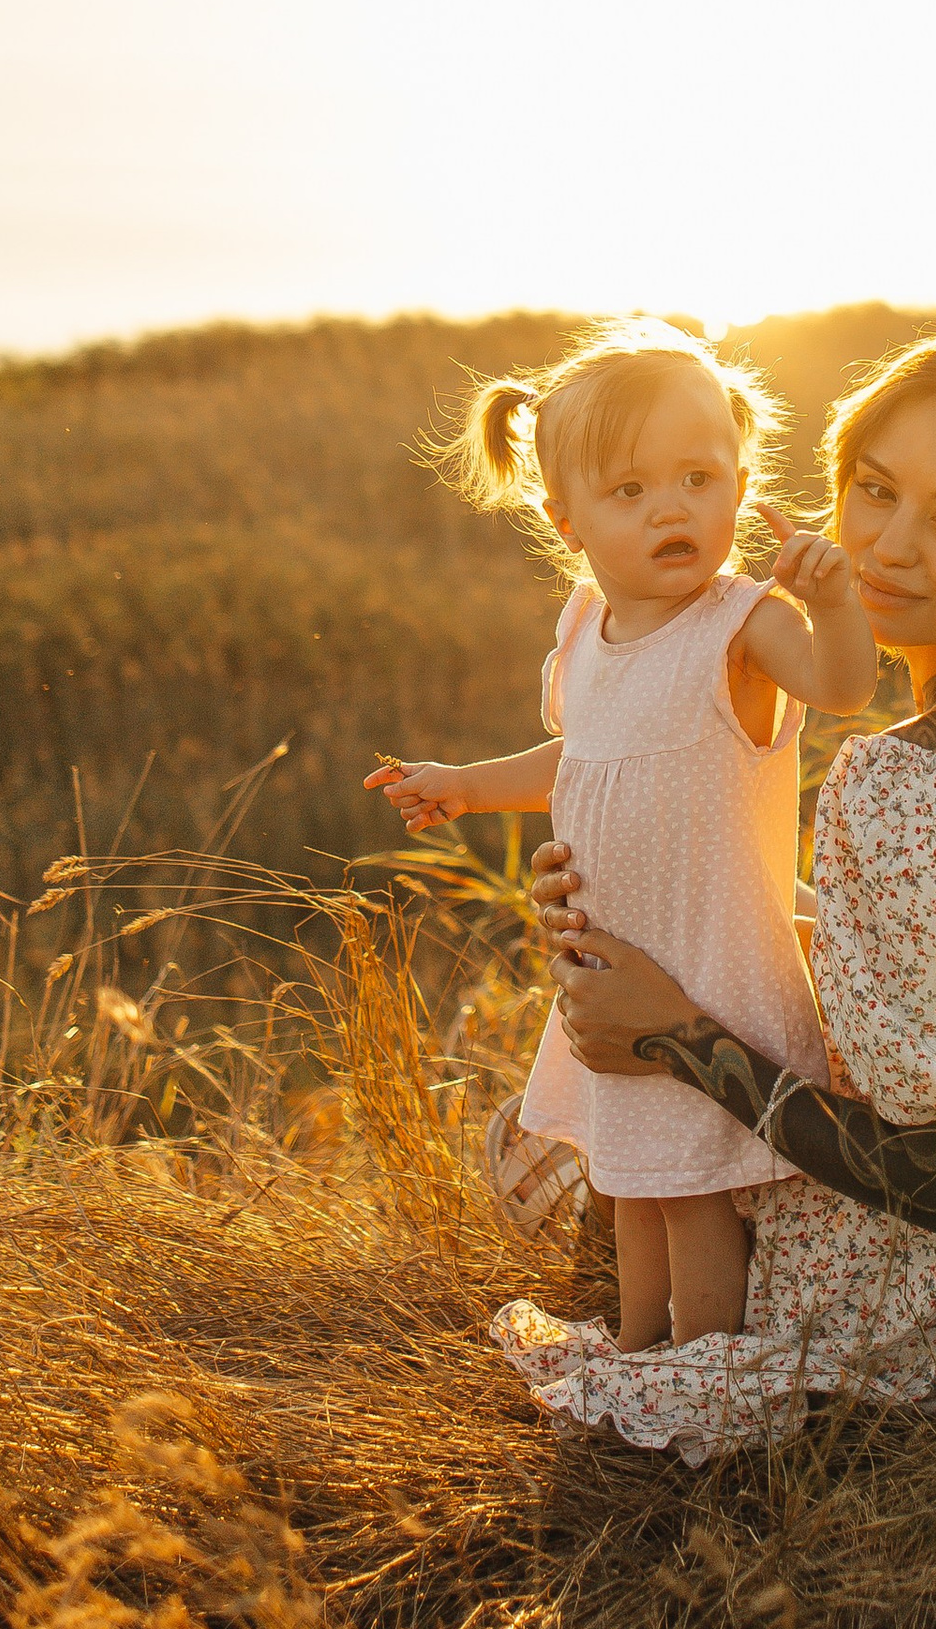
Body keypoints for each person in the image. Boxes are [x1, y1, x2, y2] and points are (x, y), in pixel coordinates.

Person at [493, 326, 936, 1460]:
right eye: (873, 491)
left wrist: (669, 1033)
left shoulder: (902, 777)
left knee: (581, 1128)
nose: (886, 547)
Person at [367, 320, 876, 1354]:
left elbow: (843, 685)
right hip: (614, 970)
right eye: (631, 492)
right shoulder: (584, 629)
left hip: (702, 975)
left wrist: (834, 601)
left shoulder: (743, 623)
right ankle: (640, 1365)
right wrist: (463, 785)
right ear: (569, 521)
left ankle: (711, 1383)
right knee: (632, 1188)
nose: (672, 508)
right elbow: (584, 762)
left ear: (740, 482)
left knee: (693, 1199)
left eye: (698, 477)